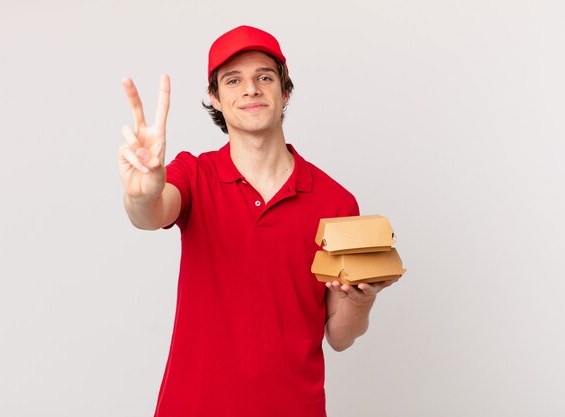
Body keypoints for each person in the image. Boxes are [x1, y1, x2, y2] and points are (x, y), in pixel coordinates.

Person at [118, 25, 397, 417]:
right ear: (215, 97)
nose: (250, 89)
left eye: (264, 77)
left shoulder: (335, 200)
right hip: (194, 406)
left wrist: (361, 300)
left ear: (285, 91)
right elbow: (149, 214)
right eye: (233, 80)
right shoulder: (194, 175)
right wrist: (142, 192)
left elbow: (340, 335)